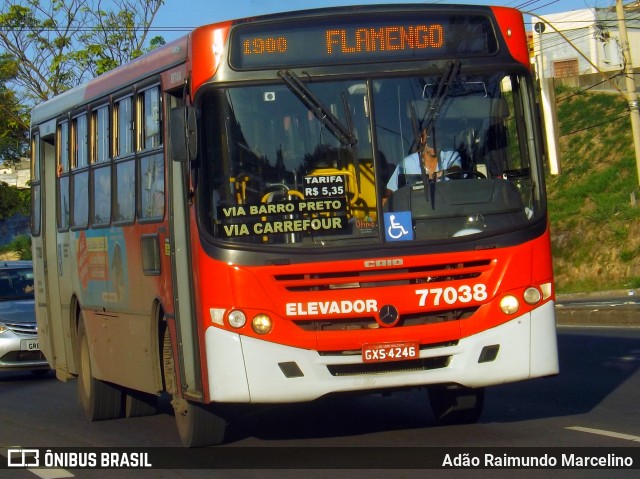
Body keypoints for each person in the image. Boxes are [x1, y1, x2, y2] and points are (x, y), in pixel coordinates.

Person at [384, 130, 461, 200]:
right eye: (430, 140)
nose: (434, 144)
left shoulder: (451, 156)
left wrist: (437, 175)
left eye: (437, 140)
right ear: (422, 140)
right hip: (417, 209)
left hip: (447, 207)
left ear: (442, 140)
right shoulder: (407, 164)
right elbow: (390, 190)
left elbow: (457, 171)